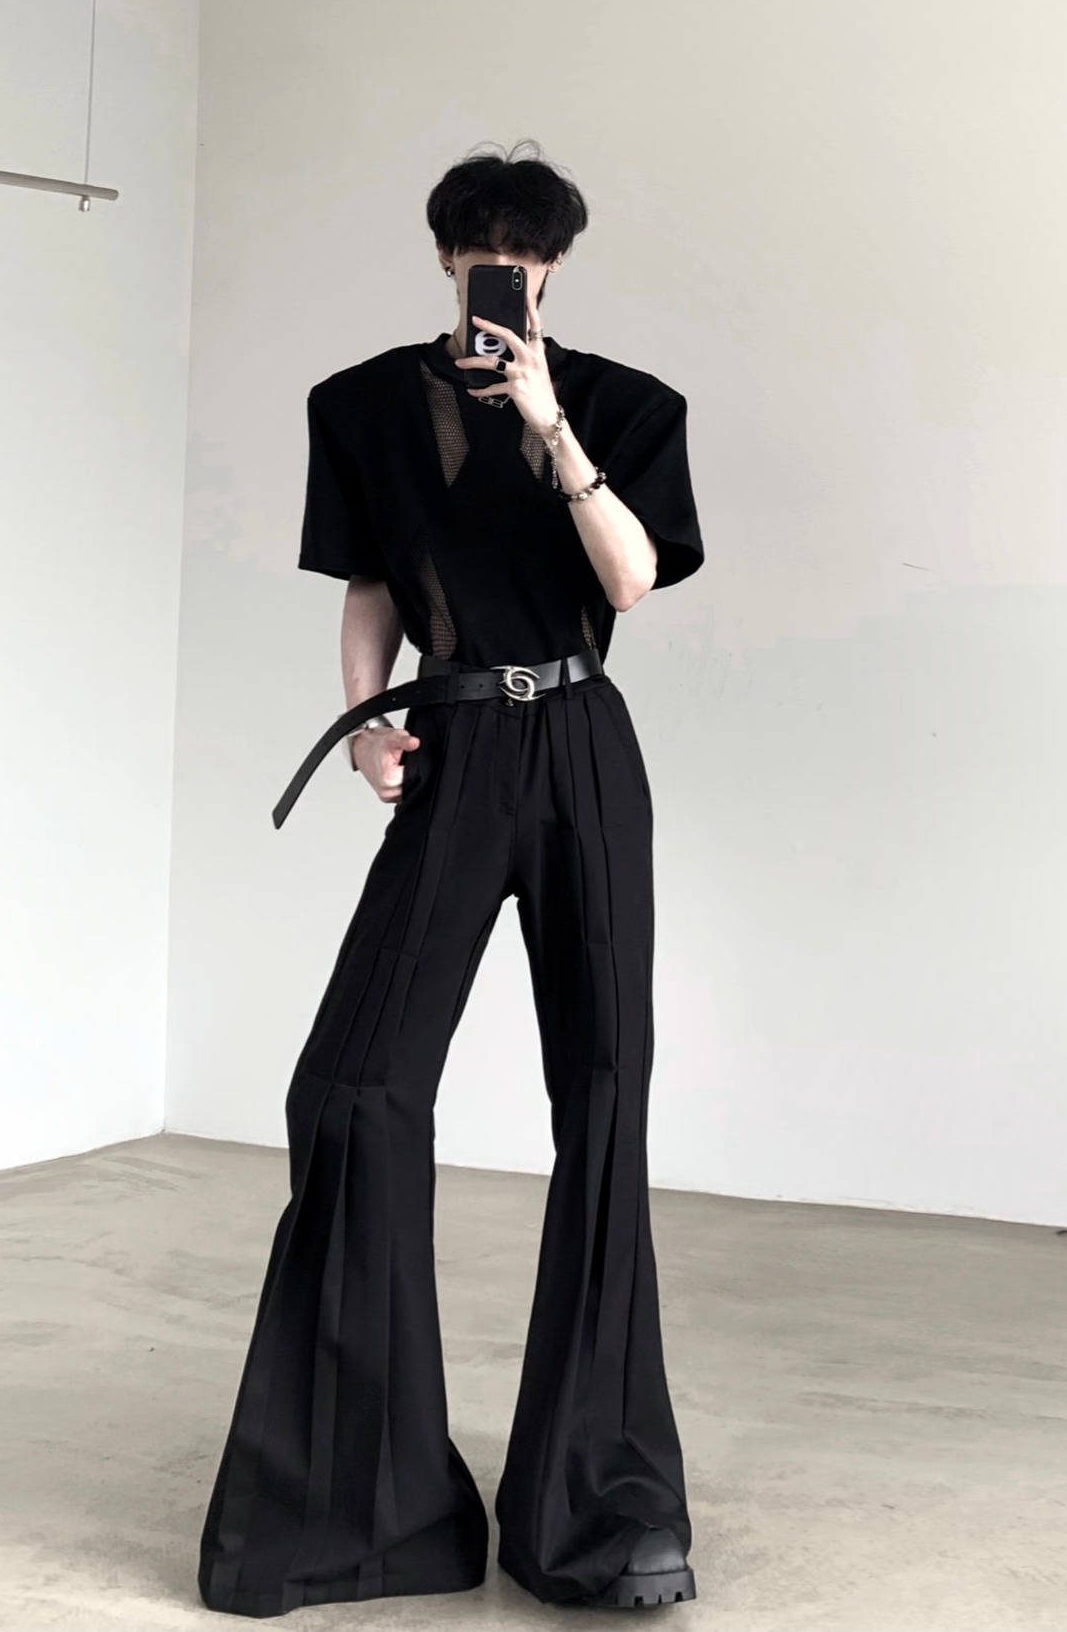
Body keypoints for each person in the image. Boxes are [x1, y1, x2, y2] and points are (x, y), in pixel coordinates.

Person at [197, 139, 704, 1619]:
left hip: (586, 750)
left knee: (605, 1101)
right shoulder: (357, 405)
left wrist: (551, 425)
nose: (509, 274)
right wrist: (365, 724)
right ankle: (365, 1504)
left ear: (555, 268)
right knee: (352, 1090)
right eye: (488, 252)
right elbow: (369, 581)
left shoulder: (628, 405)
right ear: (445, 258)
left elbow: (630, 578)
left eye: (531, 258)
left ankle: (601, 1509)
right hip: (455, 740)